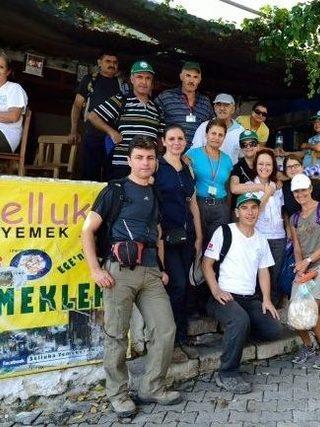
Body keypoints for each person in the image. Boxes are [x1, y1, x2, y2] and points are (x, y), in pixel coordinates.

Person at [81, 136, 180, 418]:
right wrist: (95, 270)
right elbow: (88, 230)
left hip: (150, 272)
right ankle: (118, 394)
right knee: (116, 336)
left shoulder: (155, 193)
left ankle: (151, 387)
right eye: (139, 157)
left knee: (164, 329)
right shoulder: (116, 190)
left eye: (149, 158)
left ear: (155, 161)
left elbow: (158, 234)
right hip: (118, 272)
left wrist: (160, 268)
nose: (145, 163)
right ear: (129, 160)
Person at [202, 192, 282, 394]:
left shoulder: (261, 240)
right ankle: (227, 373)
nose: (250, 212)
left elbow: (263, 271)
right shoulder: (224, 232)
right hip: (224, 296)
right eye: (244, 208)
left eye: (254, 208)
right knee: (239, 320)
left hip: (250, 298)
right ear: (237, 212)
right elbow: (206, 264)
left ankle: (236, 336)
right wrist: (216, 290)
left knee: (274, 328)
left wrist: (266, 299)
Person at [154, 124, 202, 362]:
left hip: (188, 236)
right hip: (166, 238)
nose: (176, 142)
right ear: (163, 141)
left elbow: (193, 203)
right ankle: (172, 341)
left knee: (186, 287)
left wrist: (200, 237)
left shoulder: (187, 168)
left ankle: (182, 337)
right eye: (171, 138)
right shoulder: (156, 166)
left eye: (180, 138)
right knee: (178, 285)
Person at [288, 173, 320, 369]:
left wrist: (308, 261)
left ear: (310, 189)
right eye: (296, 191)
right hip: (307, 267)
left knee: (311, 307)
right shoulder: (294, 219)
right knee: (295, 311)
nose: (300, 194)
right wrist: (300, 265)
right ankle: (309, 346)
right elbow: (297, 247)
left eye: (303, 190)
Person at [88, 60, 164, 180]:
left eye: (148, 78)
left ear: (151, 82)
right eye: (139, 77)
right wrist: (111, 132)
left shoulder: (157, 109)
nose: (144, 82)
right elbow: (93, 116)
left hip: (146, 167)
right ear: (132, 79)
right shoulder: (121, 100)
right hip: (122, 165)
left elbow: (160, 139)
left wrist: (157, 158)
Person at [68, 50, 126, 181]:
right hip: (91, 134)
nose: (112, 64)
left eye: (115, 62)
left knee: (110, 176)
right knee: (89, 174)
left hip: (113, 137)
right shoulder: (89, 80)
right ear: (99, 63)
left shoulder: (121, 84)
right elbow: (77, 105)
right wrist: (73, 130)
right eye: (108, 61)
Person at [185, 118, 233, 245]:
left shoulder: (227, 160)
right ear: (206, 134)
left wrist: (227, 208)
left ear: (224, 138)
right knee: (196, 244)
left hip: (220, 207)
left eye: (220, 135)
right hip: (198, 204)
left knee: (217, 247)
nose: (216, 138)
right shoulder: (191, 154)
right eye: (213, 133)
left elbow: (228, 187)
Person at [252, 149, 285, 305]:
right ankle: (259, 309)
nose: (264, 167)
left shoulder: (278, 187)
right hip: (259, 237)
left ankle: (273, 310)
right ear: (255, 165)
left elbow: (283, 212)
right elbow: (253, 213)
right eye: (260, 164)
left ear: (273, 166)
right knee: (259, 275)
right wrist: (266, 193)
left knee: (275, 274)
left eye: (268, 164)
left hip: (279, 237)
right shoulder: (250, 186)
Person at [154, 61, 213, 145]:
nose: (191, 80)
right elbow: (154, 121)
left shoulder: (205, 102)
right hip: (171, 152)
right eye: (188, 75)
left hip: (196, 155)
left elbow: (212, 128)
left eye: (195, 77)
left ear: (199, 80)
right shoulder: (166, 97)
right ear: (181, 77)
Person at [0, 50, 28, 154]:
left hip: (4, 137)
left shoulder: (14, 89)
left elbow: (13, 116)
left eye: (1, 67)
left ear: (8, 72)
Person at [190, 93, 243, 161]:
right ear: (214, 108)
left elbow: (243, 155)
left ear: (233, 109)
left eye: (226, 105)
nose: (221, 108)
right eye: (218, 104)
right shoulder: (204, 126)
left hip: (230, 170)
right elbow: (194, 152)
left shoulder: (240, 131)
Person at [229, 129, 263, 195]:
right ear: (241, 148)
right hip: (243, 204)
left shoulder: (263, 163)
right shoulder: (236, 167)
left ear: (258, 146)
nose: (248, 147)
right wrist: (261, 186)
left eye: (252, 144)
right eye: (244, 145)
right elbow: (234, 188)